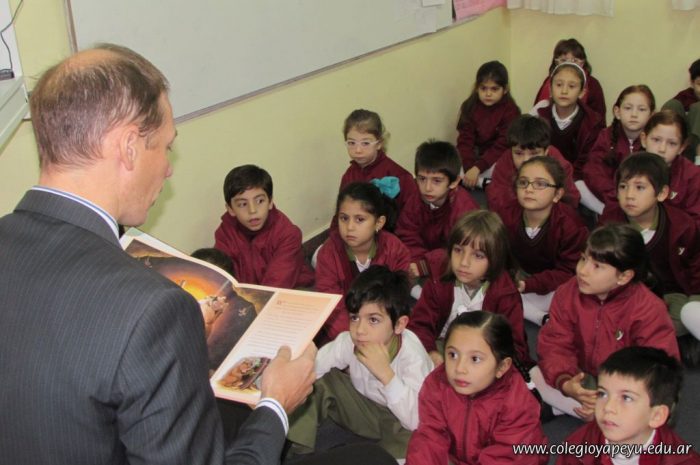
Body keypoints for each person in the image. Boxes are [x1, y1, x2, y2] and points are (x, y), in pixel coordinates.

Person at [0, 44, 395, 465]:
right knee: (370, 460)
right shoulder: (153, 308)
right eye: (165, 147)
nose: (168, 168)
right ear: (129, 147)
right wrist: (276, 404)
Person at [535, 224, 680, 421]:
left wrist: (611, 397)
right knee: (534, 374)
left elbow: (658, 369)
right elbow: (555, 343)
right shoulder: (568, 293)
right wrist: (566, 382)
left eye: (597, 266)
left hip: (626, 387)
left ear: (624, 276)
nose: (583, 271)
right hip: (585, 376)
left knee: (657, 406)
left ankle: (593, 413)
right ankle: (596, 413)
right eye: (583, 259)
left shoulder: (649, 309)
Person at [287, 265, 433, 459]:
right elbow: (314, 367)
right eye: (355, 318)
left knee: (416, 444)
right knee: (319, 383)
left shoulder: (413, 357)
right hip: (365, 409)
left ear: (399, 324)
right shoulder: (349, 341)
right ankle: (298, 452)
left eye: (373, 320)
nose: (360, 330)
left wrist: (387, 375)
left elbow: (416, 419)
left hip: (403, 421)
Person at [406, 311, 548, 465]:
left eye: (475, 359)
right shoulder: (437, 384)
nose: (459, 368)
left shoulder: (517, 403)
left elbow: (506, 458)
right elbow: (430, 437)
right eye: (453, 355)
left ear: (502, 367)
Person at [598, 153, 700, 365]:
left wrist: (694, 298)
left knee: (682, 316)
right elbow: (603, 267)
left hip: (672, 293)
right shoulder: (610, 220)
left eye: (640, 187)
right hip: (628, 292)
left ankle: (659, 341)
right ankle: (664, 344)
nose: (629, 195)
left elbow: (695, 266)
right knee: (607, 317)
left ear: (662, 193)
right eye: (623, 187)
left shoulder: (682, 225)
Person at [408, 210, 532, 368]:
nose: (464, 262)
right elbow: (419, 324)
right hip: (441, 344)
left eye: (478, 255)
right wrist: (431, 352)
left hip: (481, 357)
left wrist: (481, 367)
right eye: (458, 250)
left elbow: (515, 349)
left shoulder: (505, 295)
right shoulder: (439, 277)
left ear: (495, 259)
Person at [557, 347, 700, 465]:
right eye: (602, 394)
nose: (608, 407)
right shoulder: (576, 447)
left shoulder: (684, 461)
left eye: (626, 398)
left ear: (656, 416)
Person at [315, 182, 410, 344]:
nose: (350, 227)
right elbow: (332, 308)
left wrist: (377, 336)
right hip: (346, 331)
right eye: (344, 218)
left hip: (382, 327)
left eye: (359, 219)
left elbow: (396, 302)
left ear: (379, 223)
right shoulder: (328, 253)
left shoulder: (395, 250)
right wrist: (356, 336)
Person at [499, 156, 588, 326]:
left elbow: (568, 271)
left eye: (540, 184)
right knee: (493, 289)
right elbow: (498, 254)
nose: (529, 189)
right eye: (523, 182)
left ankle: (534, 312)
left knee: (575, 293)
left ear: (557, 194)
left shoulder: (571, 225)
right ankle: (541, 318)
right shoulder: (507, 214)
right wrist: (511, 279)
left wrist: (528, 285)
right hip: (520, 276)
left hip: (555, 284)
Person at [214, 164, 314, 288]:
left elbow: (277, 284)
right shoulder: (224, 234)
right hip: (248, 295)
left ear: (270, 202)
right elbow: (223, 279)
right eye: (242, 204)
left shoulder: (288, 234)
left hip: (291, 291)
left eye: (260, 201)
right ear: (230, 209)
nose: (252, 210)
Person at [395, 139, 479, 279]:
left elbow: (463, 250)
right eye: (422, 179)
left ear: (454, 182)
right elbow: (406, 233)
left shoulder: (464, 209)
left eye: (437, 181)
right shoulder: (415, 199)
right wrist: (418, 261)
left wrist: (426, 265)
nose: (427, 188)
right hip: (421, 260)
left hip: (457, 268)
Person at [530, 61, 605, 216]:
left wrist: (568, 178)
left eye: (572, 86)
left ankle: (604, 212)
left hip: (577, 175)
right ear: (550, 89)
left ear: (582, 92)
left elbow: (587, 160)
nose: (564, 91)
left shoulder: (592, 122)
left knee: (581, 191)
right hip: (545, 172)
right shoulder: (540, 116)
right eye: (559, 85)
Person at [488, 114, 580, 215]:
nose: (526, 160)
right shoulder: (505, 161)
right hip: (515, 217)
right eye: (518, 153)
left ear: (546, 152)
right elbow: (496, 200)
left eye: (534, 154)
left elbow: (571, 201)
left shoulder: (560, 165)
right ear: (511, 150)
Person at [337, 109, 418, 223]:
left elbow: (412, 220)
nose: (358, 150)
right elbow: (340, 214)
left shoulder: (401, 177)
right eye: (351, 143)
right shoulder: (349, 175)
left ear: (379, 143)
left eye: (365, 143)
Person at [584, 85, 656, 213]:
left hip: (644, 203)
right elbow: (594, 172)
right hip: (609, 199)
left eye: (641, 109)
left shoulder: (656, 140)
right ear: (617, 112)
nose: (634, 114)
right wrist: (617, 195)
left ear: (651, 115)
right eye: (628, 108)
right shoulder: (605, 136)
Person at [456, 60, 520, 189]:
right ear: (477, 88)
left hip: (496, 158)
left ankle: (482, 182)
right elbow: (465, 140)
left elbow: (502, 145)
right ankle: (481, 182)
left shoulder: (511, 111)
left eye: (494, 89)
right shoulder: (469, 106)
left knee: (507, 170)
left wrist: (478, 168)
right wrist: (470, 168)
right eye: (483, 88)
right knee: (451, 167)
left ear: (505, 89)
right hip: (474, 158)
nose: (488, 94)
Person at [640, 110, 700, 229]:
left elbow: (696, 222)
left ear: (681, 147)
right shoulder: (630, 168)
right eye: (656, 140)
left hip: (677, 236)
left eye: (672, 143)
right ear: (644, 139)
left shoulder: (693, 176)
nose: (662, 149)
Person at [533, 38, 606, 121]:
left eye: (575, 60)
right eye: (563, 60)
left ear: (582, 63)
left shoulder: (593, 84)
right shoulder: (549, 81)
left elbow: (598, 119)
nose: (569, 64)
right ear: (556, 62)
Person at [662, 58, 700, 160]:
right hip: (680, 150)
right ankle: (664, 156)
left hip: (696, 155)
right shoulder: (683, 98)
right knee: (672, 105)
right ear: (692, 83)